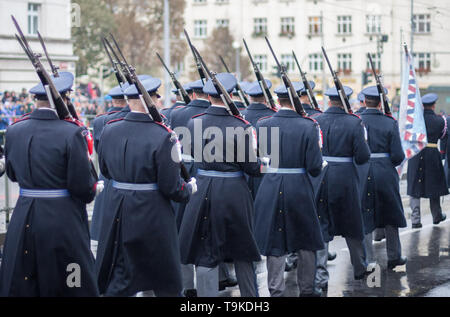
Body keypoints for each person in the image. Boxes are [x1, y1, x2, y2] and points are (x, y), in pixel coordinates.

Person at [0, 73, 100, 296]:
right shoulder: (72, 132)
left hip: (24, 215)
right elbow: (83, 188)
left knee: (25, 280)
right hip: (62, 221)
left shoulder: (15, 130)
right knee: (72, 281)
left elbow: (14, 175)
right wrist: (93, 187)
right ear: (64, 99)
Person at [95, 77, 197, 297]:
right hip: (153, 212)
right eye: (156, 98)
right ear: (150, 100)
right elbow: (171, 187)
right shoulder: (163, 135)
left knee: (121, 274)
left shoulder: (109, 129)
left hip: (119, 208)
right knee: (163, 276)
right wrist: (188, 189)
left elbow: (105, 170)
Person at [179, 73, 262, 297]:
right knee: (243, 250)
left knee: (206, 251)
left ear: (207, 95)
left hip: (204, 187)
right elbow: (252, 168)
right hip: (234, 190)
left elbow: (191, 154)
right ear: (231, 95)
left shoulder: (193, 122)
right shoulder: (242, 126)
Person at [254, 84, 324, 297]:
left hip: (271, 184)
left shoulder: (263, 124)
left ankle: (276, 290)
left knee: (275, 240)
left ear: (278, 101)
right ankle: (307, 289)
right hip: (299, 186)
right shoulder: (309, 126)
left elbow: (259, 161)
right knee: (307, 239)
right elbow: (314, 167)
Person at [314, 86, 371, 293]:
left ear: (329, 101)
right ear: (346, 100)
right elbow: (363, 156)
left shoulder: (317, 120)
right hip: (346, 178)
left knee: (322, 225)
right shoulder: (354, 122)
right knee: (352, 224)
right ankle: (359, 267)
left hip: (322, 176)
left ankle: (320, 275)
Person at [359, 86, 407, 270]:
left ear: (365, 101)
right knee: (390, 215)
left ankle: (368, 260)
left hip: (364, 171)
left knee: (365, 215)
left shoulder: (358, 120)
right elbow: (398, 156)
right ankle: (394, 256)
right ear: (380, 103)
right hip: (385, 172)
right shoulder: (389, 122)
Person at [90, 83, 130, 256]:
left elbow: (99, 151)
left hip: (107, 175)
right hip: (127, 176)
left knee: (103, 226)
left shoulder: (100, 120)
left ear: (112, 100)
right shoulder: (131, 117)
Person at [408, 93, 448, 228]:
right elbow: (442, 136)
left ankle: (415, 219)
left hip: (416, 153)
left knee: (414, 187)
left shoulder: (415, 121)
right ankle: (436, 215)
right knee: (434, 186)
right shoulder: (440, 120)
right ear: (434, 105)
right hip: (432, 153)